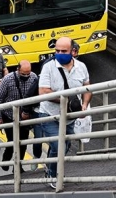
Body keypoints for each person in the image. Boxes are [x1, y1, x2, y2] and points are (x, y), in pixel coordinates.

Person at [38, 36, 91, 188]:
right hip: (49, 114)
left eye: (63, 51)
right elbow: (43, 91)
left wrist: (84, 105)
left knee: (65, 147)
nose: (59, 53)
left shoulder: (81, 67)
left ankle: (50, 165)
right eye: (57, 51)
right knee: (59, 146)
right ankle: (53, 175)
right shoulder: (48, 67)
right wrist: (65, 101)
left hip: (69, 117)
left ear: (73, 52)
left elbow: (88, 88)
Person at [0, 60, 41, 171]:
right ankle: (6, 159)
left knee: (22, 142)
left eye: (28, 74)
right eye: (23, 74)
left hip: (25, 116)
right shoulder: (7, 80)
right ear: (17, 69)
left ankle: (18, 166)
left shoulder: (34, 77)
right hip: (9, 115)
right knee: (12, 141)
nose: (26, 76)